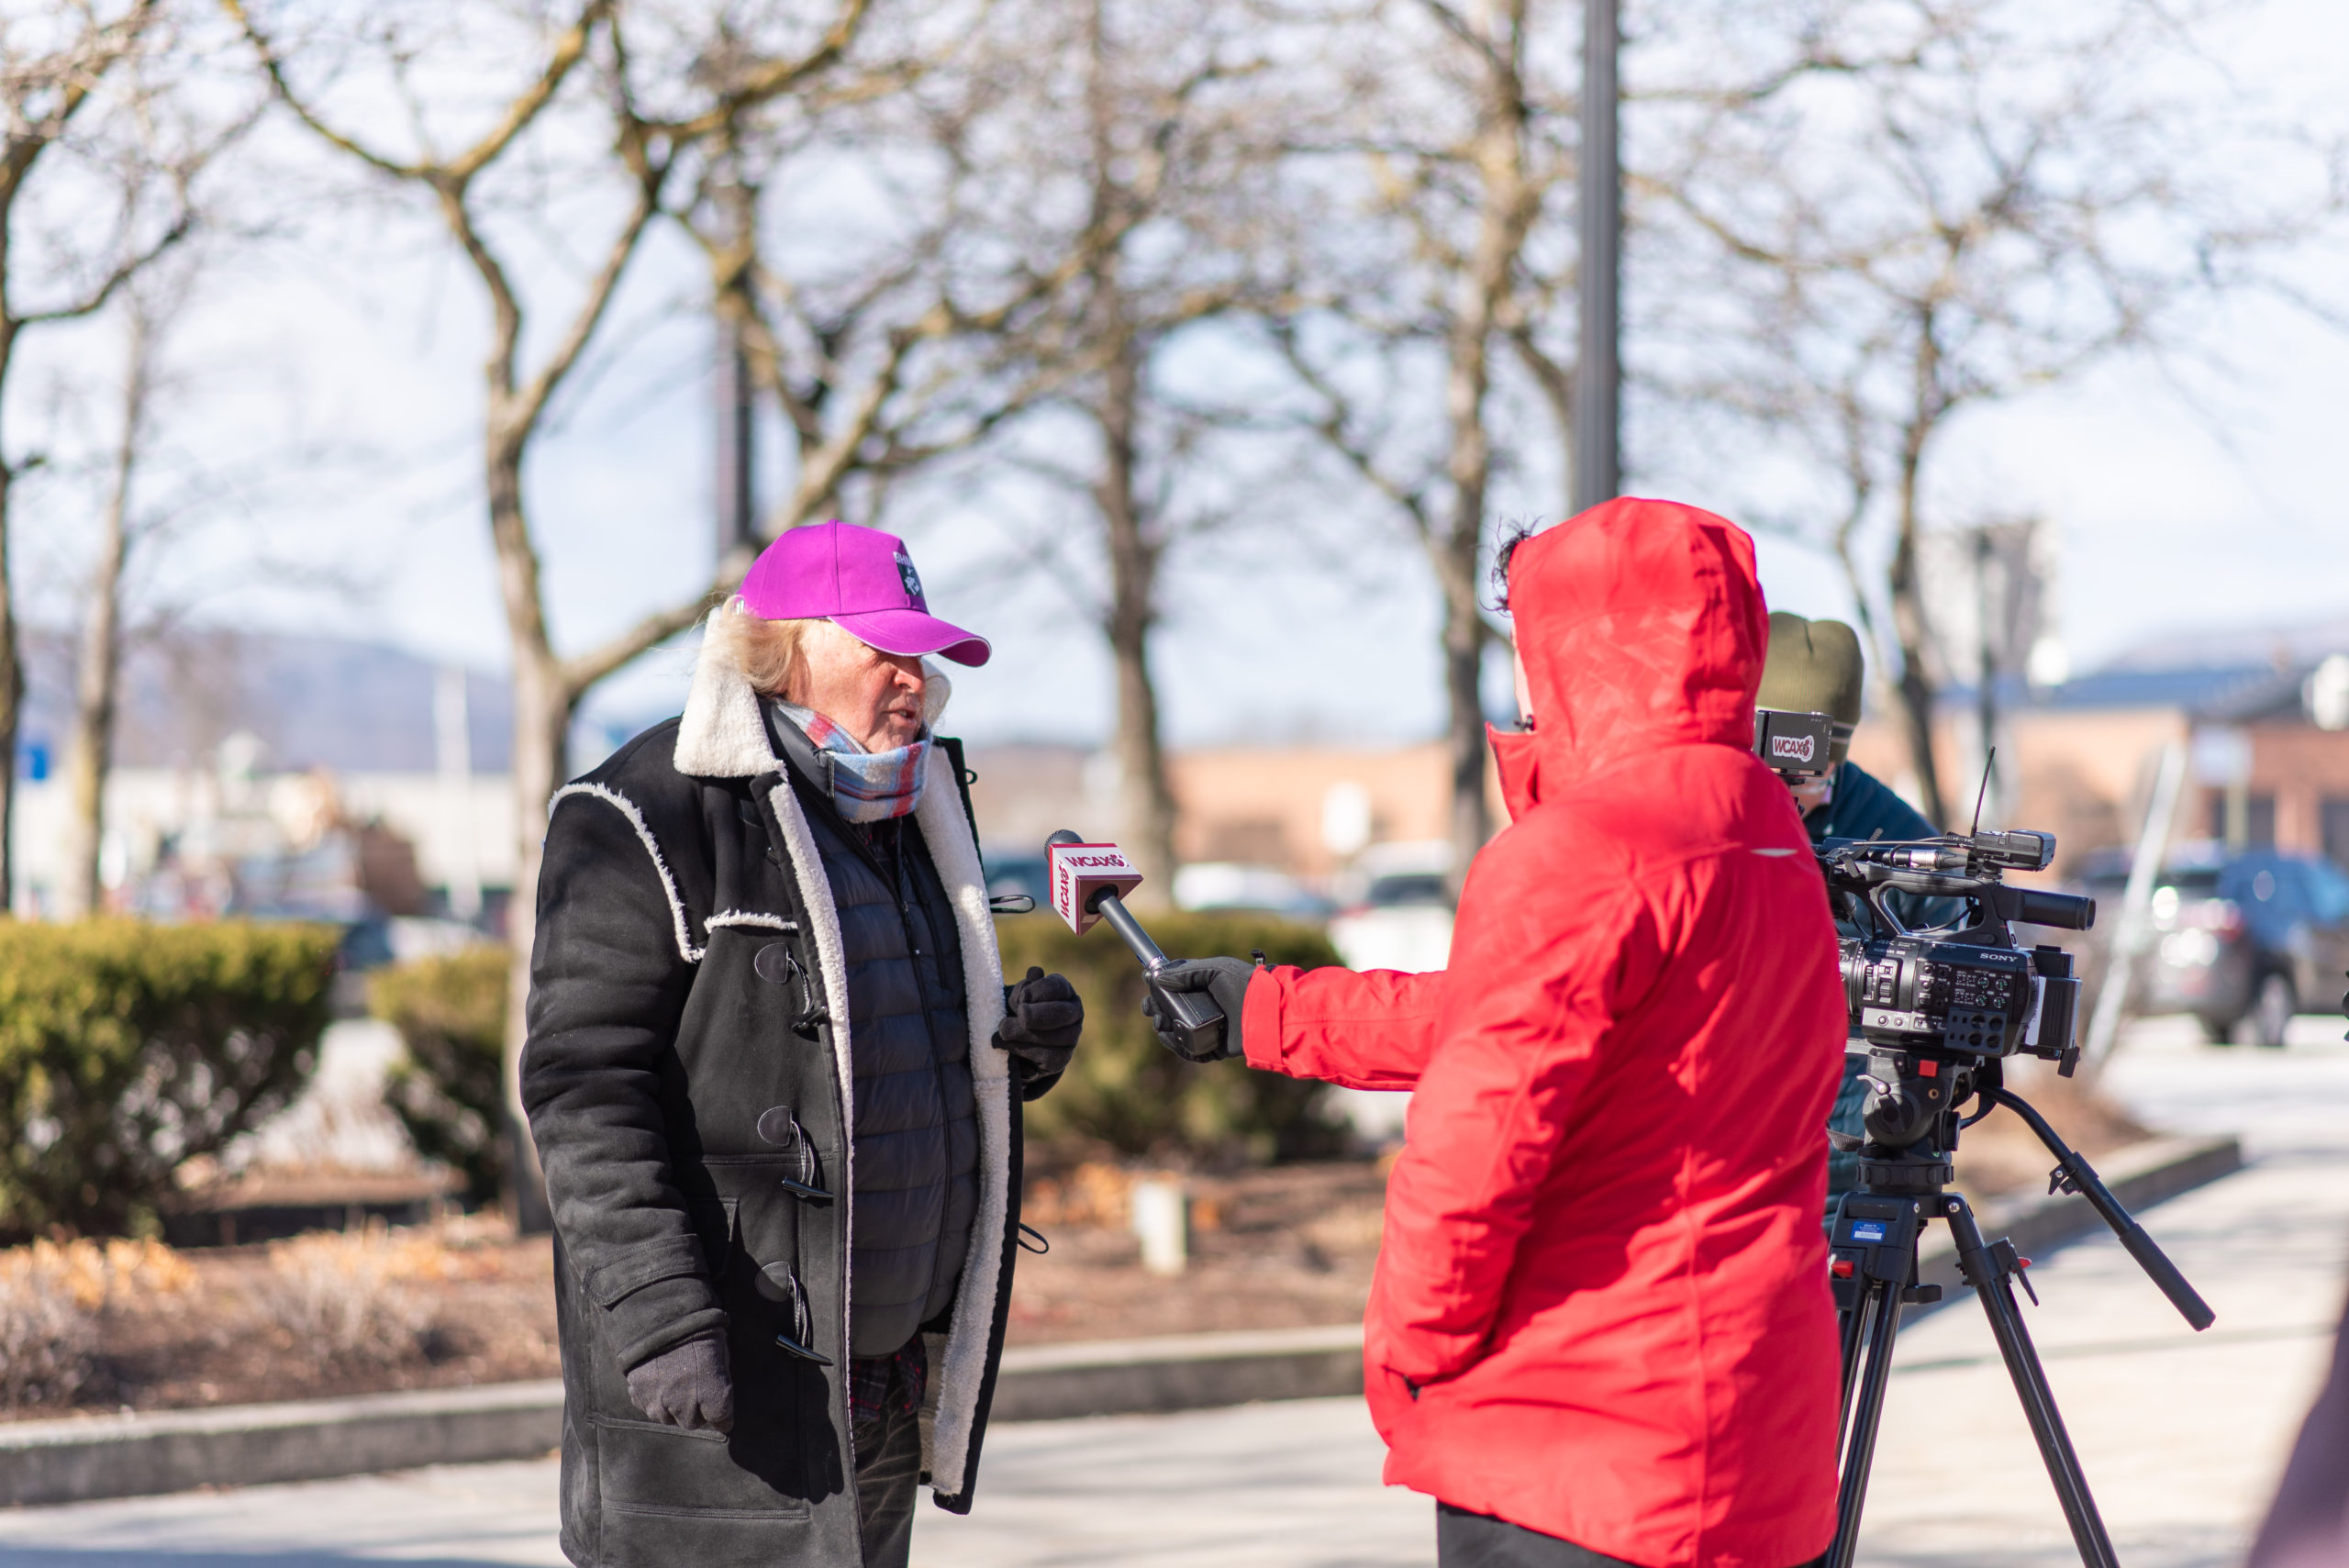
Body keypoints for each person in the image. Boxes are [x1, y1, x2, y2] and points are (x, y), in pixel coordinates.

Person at [1147, 498, 1849, 1568]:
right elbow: (1554, 1023)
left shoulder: (1586, 847)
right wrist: (1273, 1010)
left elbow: (1476, 1147)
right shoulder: (1763, 832)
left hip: (1579, 1438)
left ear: (1577, 644)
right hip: (1753, 1437)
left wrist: (1409, 1364)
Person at [522, 521, 1084, 1568]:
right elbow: (581, 1089)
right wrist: (659, 1318)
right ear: (790, 648)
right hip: (720, 1397)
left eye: (923, 657)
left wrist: (1011, 1049)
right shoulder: (643, 808)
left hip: (878, 1393)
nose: (914, 679)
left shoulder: (906, 811)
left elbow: (875, 1055)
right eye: (888, 650)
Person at [1754, 612, 1953, 1207]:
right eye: (1764, 771)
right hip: (1728, 1135)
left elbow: (1954, 970)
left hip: (1848, 1148)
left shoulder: (1896, 838)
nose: (1782, 796)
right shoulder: (1706, 812)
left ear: (1835, 759)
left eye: (1802, 777)